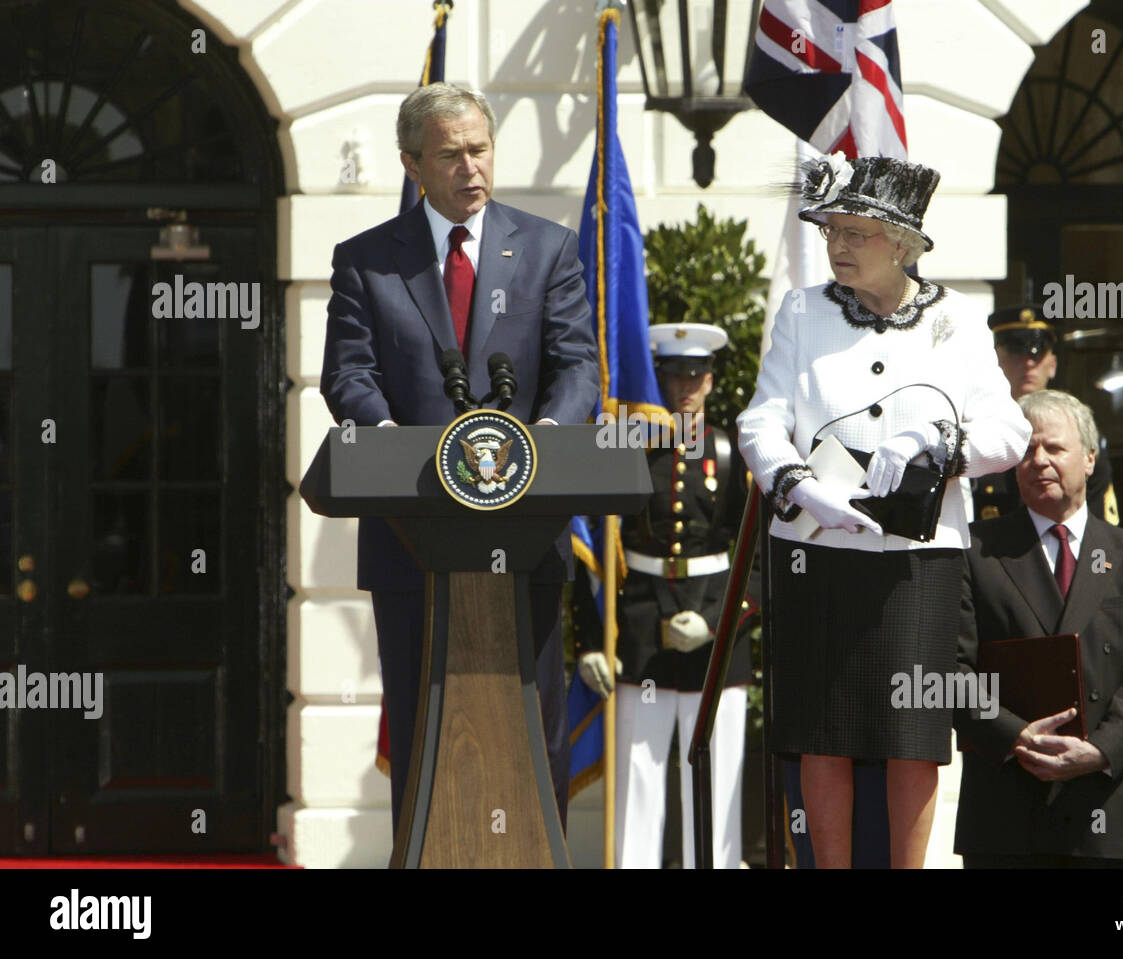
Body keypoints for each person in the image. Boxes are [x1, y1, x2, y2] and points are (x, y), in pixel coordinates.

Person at [736, 153, 1030, 869]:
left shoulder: (956, 317)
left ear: (902, 244)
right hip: (814, 552)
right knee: (821, 731)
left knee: (912, 733)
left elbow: (1012, 433)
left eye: (856, 233)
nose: (838, 245)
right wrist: (797, 484)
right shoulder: (804, 311)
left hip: (917, 561)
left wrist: (939, 441)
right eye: (833, 231)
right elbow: (759, 421)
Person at [320, 82, 598, 834]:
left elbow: (579, 368)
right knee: (422, 729)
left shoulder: (548, 250)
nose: (470, 168)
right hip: (412, 540)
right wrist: (385, 440)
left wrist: (541, 438)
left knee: (535, 732)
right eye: (450, 155)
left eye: (480, 149)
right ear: (413, 164)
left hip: (527, 535)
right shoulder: (368, 261)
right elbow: (349, 374)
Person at [954, 390, 1123, 867]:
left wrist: (1097, 750)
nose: (1039, 461)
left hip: (1106, 811)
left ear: (1090, 459)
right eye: (1027, 450)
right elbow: (952, 671)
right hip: (1007, 813)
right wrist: (1016, 735)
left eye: (1053, 448)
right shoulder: (976, 552)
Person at [573, 323, 756, 868]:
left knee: (718, 775)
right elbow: (595, 552)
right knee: (638, 773)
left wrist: (723, 621)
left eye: (696, 375)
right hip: (642, 625)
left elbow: (758, 557)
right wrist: (588, 640)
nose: (685, 386)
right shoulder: (628, 448)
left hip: (717, 628)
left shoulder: (734, 451)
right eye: (674, 374)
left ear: (712, 379)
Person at [972, 304, 1118, 524]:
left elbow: (1099, 528)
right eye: (1015, 351)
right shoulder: (976, 428)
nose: (1028, 362)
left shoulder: (1077, 430)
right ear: (997, 361)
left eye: (1038, 352)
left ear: (1053, 364)